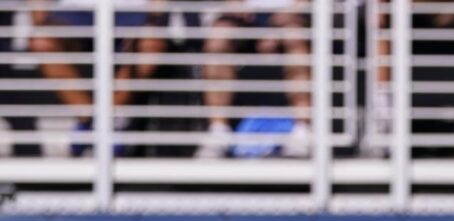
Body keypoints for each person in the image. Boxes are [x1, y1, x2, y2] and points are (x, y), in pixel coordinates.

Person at [28, 0, 168, 157]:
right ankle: (93, 121)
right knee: (42, 41)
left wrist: (156, 17)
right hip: (71, 13)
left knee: (152, 44)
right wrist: (39, 17)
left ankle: (101, 122)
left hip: (133, 14)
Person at [196, 0, 311, 159]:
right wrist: (235, 5)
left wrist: (290, 12)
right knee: (219, 37)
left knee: (295, 36)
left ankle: (302, 132)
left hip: (294, 16)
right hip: (243, 17)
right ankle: (218, 132)